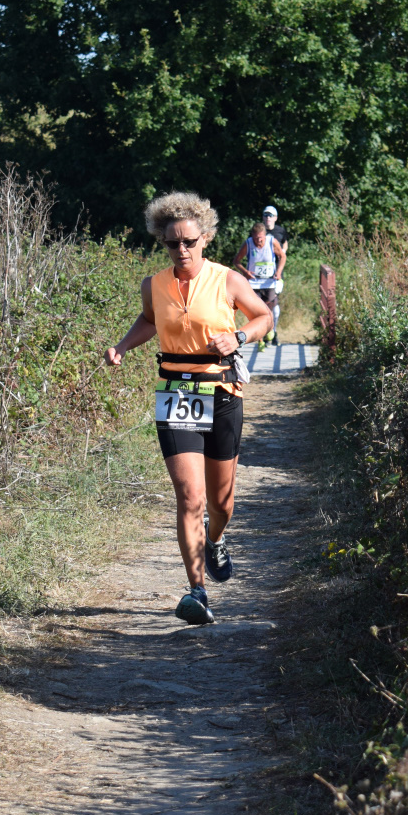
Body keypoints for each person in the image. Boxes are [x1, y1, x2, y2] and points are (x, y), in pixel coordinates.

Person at [102, 192, 274, 624]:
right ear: (162, 241)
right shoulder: (154, 285)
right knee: (189, 496)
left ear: (205, 238)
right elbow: (149, 319)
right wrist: (122, 346)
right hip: (176, 395)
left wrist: (239, 336)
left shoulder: (227, 280)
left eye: (189, 242)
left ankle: (215, 539)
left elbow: (264, 317)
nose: (181, 250)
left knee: (221, 503)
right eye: (172, 243)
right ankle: (197, 592)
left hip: (222, 394)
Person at [232, 221, 286, 346]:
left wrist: (278, 272)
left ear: (265, 236)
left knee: (269, 310)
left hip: (269, 282)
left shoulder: (272, 242)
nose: (259, 241)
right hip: (254, 283)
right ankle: (260, 340)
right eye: (256, 238)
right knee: (256, 311)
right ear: (252, 236)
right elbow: (236, 261)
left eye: (261, 238)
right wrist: (245, 272)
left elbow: (282, 257)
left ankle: (270, 331)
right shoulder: (248, 243)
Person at [260, 206, 287, 338]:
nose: (268, 218)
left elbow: (285, 243)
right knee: (261, 305)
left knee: (274, 304)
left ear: (275, 218)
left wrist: (282, 253)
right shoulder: (259, 231)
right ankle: (263, 334)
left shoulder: (280, 231)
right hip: (260, 276)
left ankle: (273, 331)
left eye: (270, 215)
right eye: (266, 215)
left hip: (276, 273)